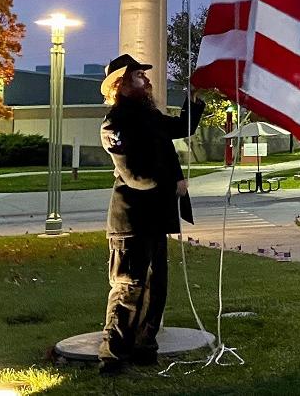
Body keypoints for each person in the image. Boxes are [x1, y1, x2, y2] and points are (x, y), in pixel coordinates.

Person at [97, 54, 205, 374]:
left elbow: (182, 127)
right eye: (137, 77)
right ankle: (113, 358)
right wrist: (171, 182)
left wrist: (193, 99)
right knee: (129, 288)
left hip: (155, 220)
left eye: (144, 76)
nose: (146, 81)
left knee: (156, 288)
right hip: (131, 222)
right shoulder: (115, 123)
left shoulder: (150, 116)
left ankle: (145, 349)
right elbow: (134, 175)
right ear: (121, 85)